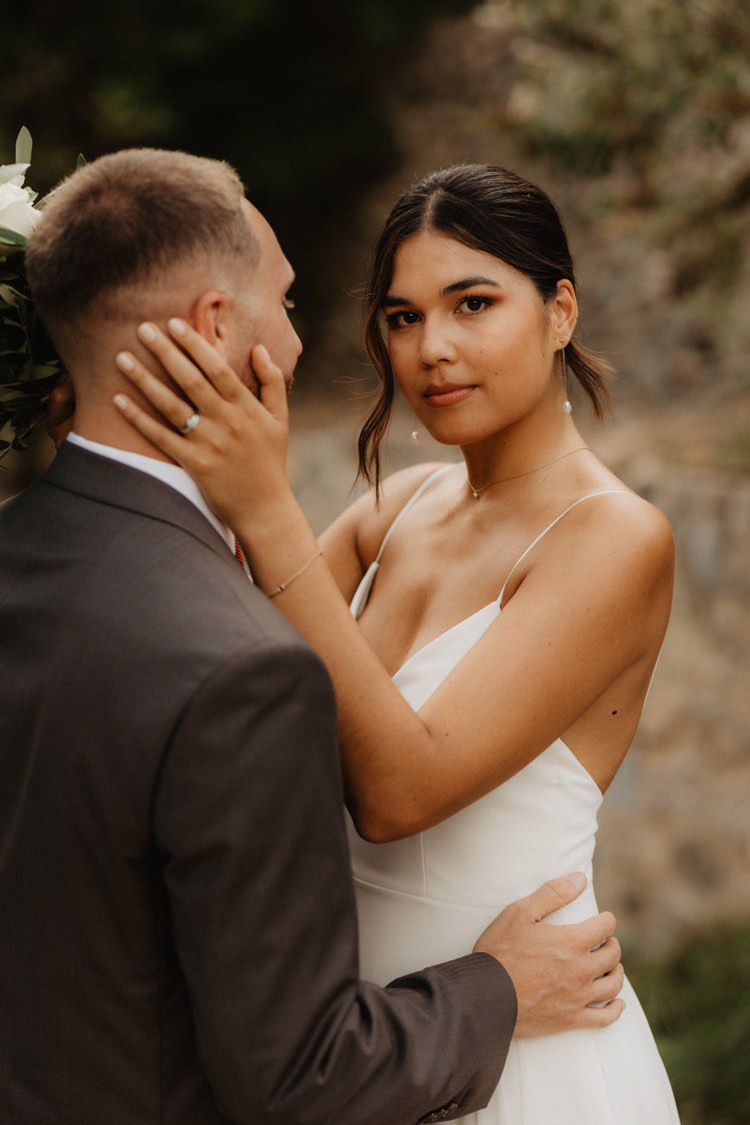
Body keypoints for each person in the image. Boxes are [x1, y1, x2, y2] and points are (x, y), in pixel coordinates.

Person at [0, 150, 626, 1125]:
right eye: (401, 317)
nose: (431, 350)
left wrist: (262, 500)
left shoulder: (618, 537)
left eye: (473, 305)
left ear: (561, 312)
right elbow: (197, 641)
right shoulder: (397, 506)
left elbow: (394, 788)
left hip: (508, 1038)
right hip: (347, 1035)